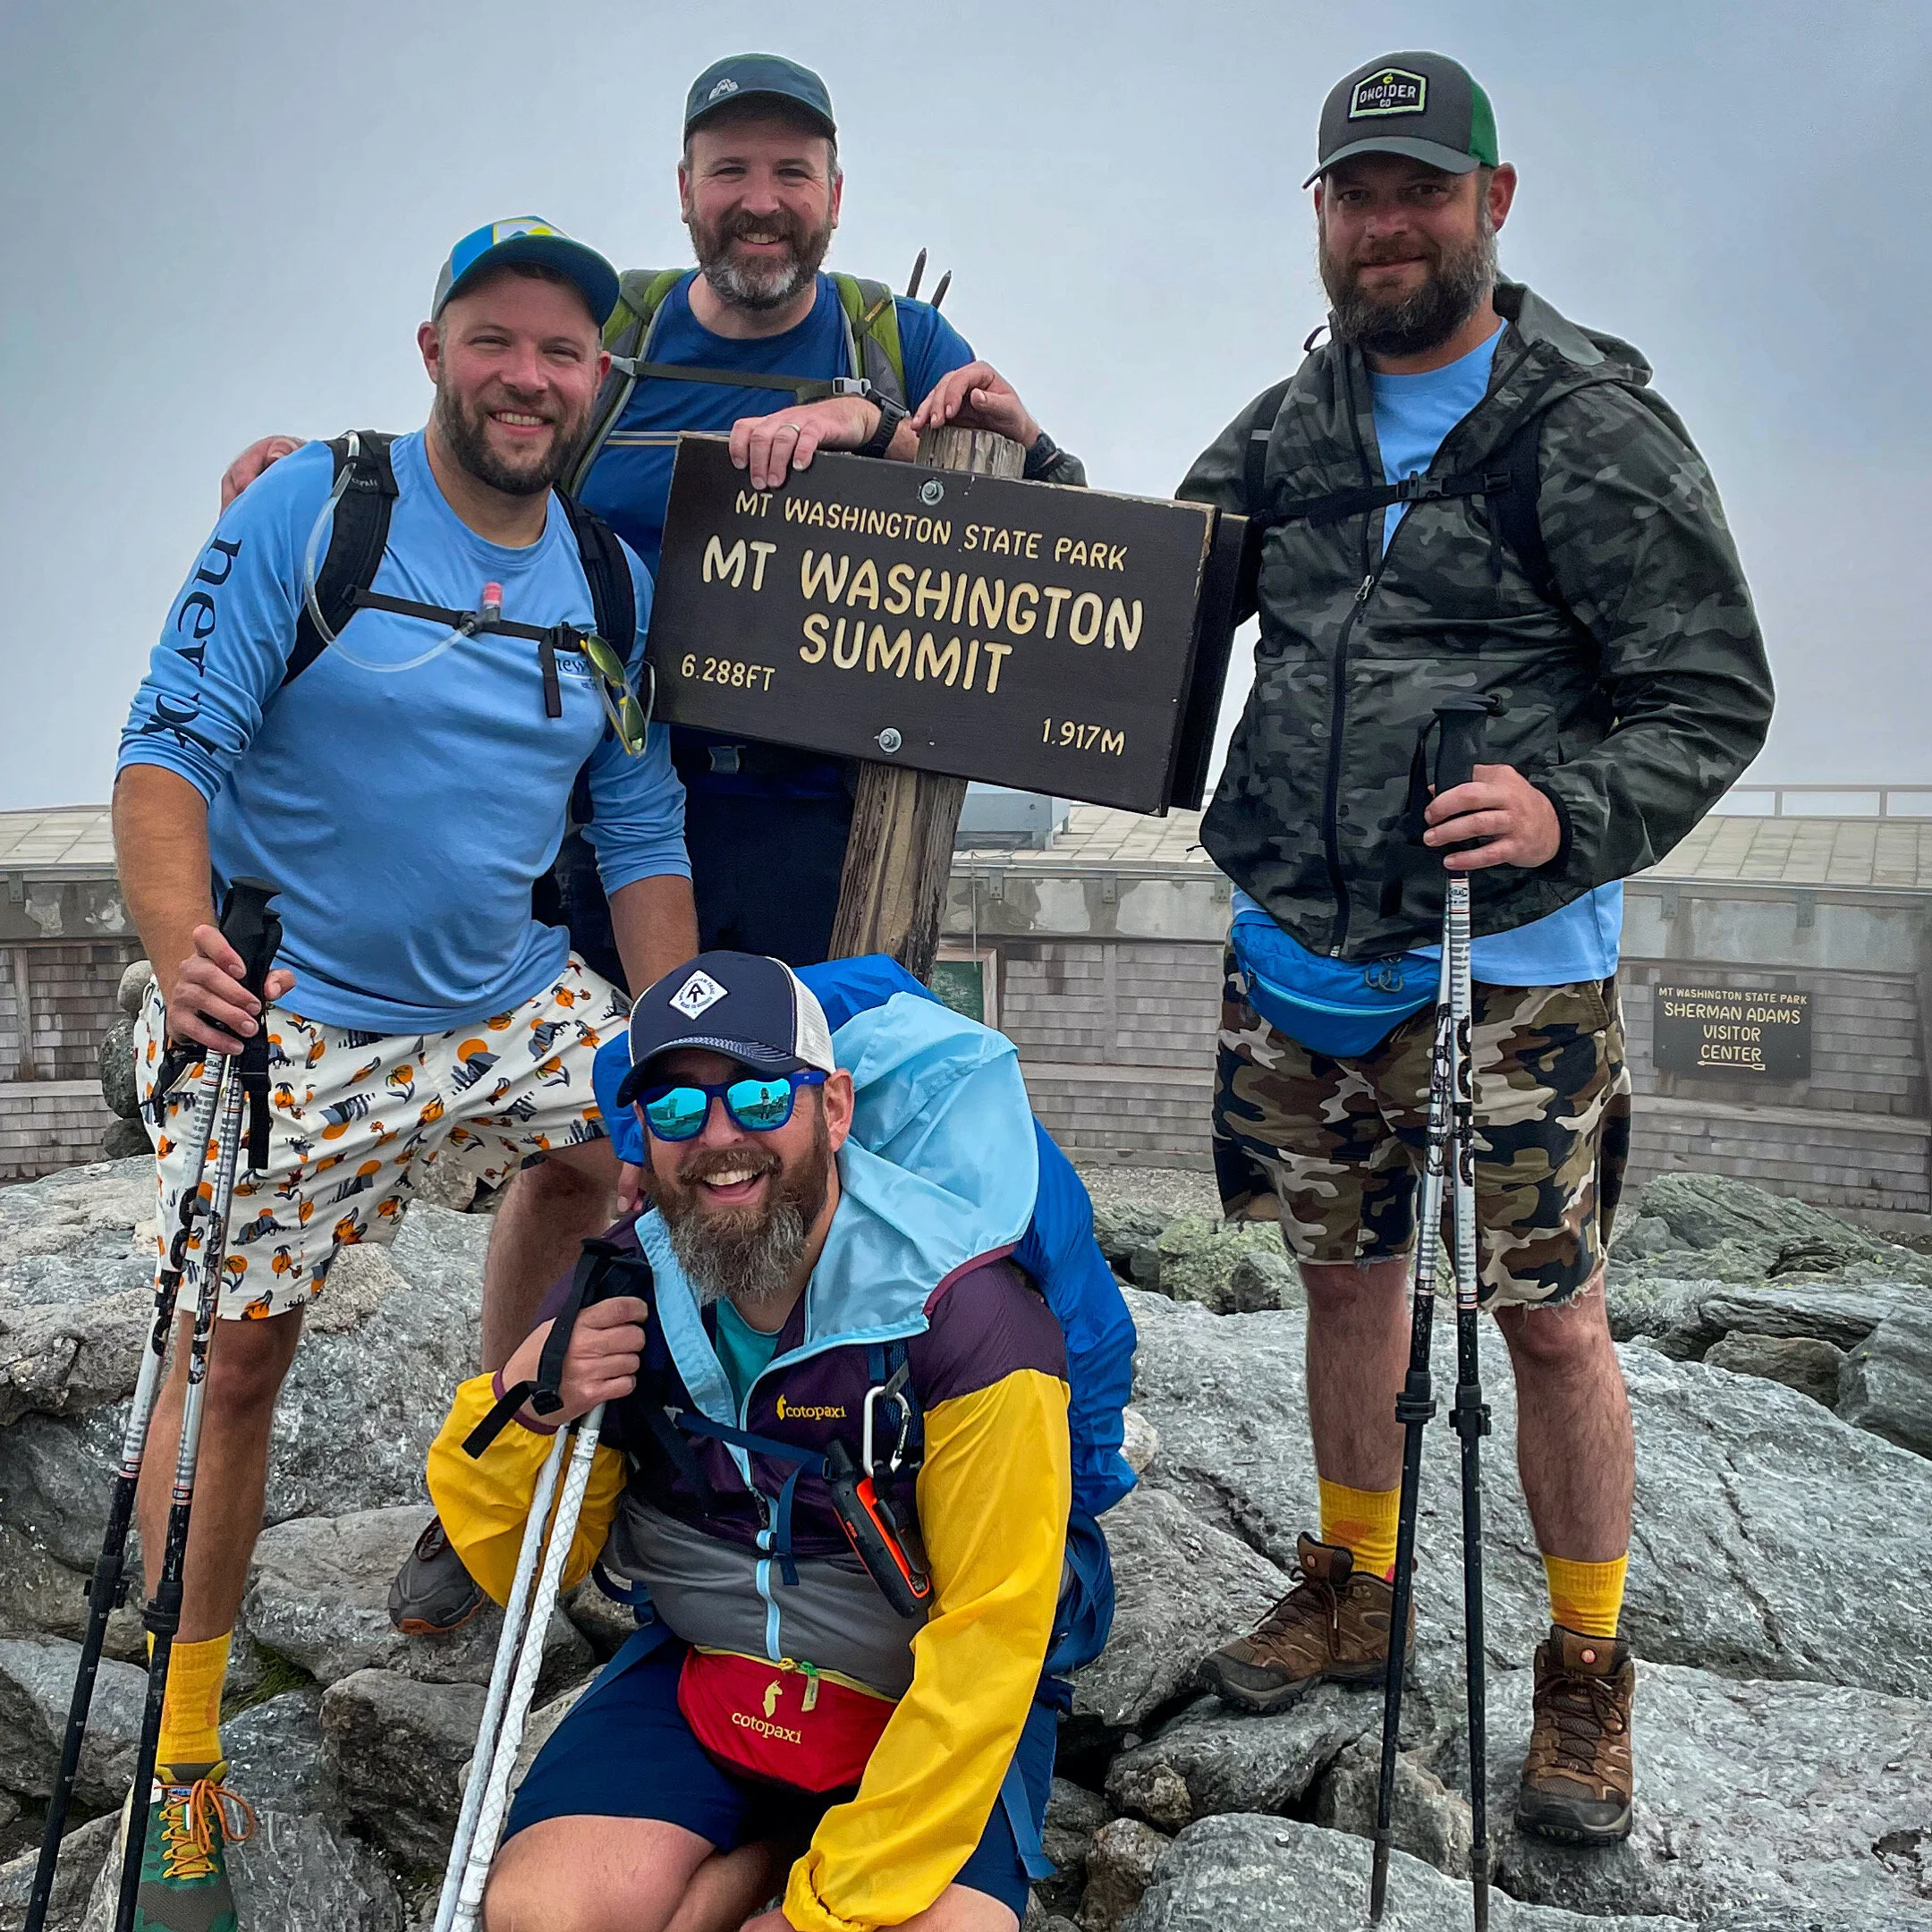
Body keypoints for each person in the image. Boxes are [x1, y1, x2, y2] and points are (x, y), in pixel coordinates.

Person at [1176, 51, 1774, 1845]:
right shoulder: (1289, 428)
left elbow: (1710, 692)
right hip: (1297, 955)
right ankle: (1356, 1586)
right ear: (1322, 214)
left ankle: (1585, 1670)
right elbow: (1145, 589)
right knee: (1345, 1284)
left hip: (1503, 967)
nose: (1389, 225)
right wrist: (997, 453)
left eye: (1422, 191)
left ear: (1492, 203)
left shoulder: (1590, 430)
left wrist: (1562, 809)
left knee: (1551, 1323)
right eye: (1357, 194)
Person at [114, 218, 694, 1931]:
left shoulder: (610, 584)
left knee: (635, 1151)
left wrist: (677, 1045)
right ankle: (185, 1758)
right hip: (292, 1017)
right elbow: (166, 748)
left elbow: (639, 825)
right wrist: (178, 949)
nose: (527, 375)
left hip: (506, 1002)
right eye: (495, 339)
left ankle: (495, 1439)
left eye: (562, 351)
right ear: (435, 348)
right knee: (236, 1368)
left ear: (597, 377)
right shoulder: (313, 509)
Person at [222, 53, 1083, 977]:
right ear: (684, 190)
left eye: (792, 172)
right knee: (614, 1063)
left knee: (812, 1068)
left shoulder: (895, 341)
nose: (761, 201)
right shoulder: (617, 334)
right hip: (591, 818)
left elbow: (1052, 565)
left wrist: (879, 427)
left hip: (837, 832)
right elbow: (481, 457)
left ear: (835, 196)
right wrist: (318, 483)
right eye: (729, 170)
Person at [428, 953, 1082, 1932]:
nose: (720, 1137)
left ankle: (796, 1854)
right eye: (677, 1108)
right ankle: (774, 1840)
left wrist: (828, 1910)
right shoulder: (625, 1287)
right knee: (542, 1916)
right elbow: (528, 1575)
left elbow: (993, 1633)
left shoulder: (968, 1315)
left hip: (918, 1692)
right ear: (645, 1139)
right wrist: (524, 1411)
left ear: (835, 1108)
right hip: (712, 1663)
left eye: (761, 1094)